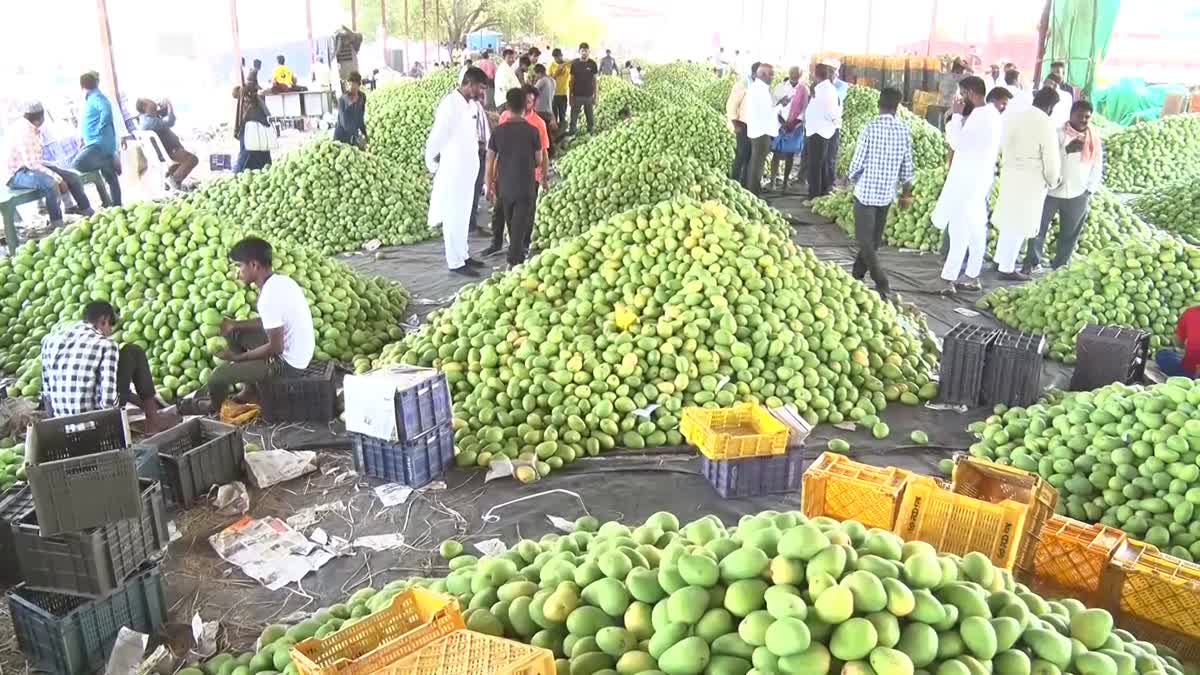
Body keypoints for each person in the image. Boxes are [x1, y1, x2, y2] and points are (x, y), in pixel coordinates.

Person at [204, 237, 315, 411]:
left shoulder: (269, 297)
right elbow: (271, 322)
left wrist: (238, 359)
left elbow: (276, 348)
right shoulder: (281, 282)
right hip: (298, 352)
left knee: (217, 377)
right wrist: (235, 325)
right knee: (233, 333)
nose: (237, 273)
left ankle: (214, 407)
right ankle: (250, 391)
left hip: (287, 364)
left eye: (239, 266)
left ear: (254, 265)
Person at [40, 301, 165, 429]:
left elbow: (46, 394)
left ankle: (151, 413)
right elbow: (108, 403)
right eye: (110, 326)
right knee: (132, 352)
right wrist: (126, 394)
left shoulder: (50, 341)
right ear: (103, 320)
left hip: (61, 427)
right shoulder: (106, 345)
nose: (110, 332)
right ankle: (154, 421)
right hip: (96, 429)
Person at [931, 75, 1002, 295]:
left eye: (962, 94)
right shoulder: (991, 114)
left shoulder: (979, 117)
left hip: (969, 182)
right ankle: (962, 275)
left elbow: (957, 143)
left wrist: (956, 118)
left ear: (971, 93)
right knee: (969, 227)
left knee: (965, 228)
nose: (960, 99)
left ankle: (960, 276)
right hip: (976, 180)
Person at [846, 87, 915, 300]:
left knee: (866, 242)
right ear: (898, 107)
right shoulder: (904, 130)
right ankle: (856, 275)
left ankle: (882, 282)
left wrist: (850, 178)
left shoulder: (870, 128)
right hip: (886, 194)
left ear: (879, 104)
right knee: (873, 241)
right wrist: (906, 193)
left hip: (866, 193)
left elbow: (857, 162)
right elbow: (907, 167)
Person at [1024, 99, 1102, 273]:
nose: (1083, 120)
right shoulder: (1056, 134)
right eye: (1080, 116)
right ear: (1071, 115)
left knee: (1070, 232)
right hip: (1051, 190)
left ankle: (1060, 265)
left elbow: (1097, 166)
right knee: (1038, 227)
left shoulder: (1093, 139)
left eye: (1087, 117)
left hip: (1078, 192)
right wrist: (1066, 149)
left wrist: (1089, 190)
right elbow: (1046, 158)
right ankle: (1032, 262)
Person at [991, 87, 1061, 281]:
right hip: (1030, 180)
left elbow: (1002, 144)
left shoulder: (1015, 116)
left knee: (1008, 221)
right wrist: (1053, 180)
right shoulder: (1045, 123)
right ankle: (1007, 268)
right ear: (1050, 106)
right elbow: (1051, 159)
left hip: (1010, 174)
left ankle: (1000, 260)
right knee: (1020, 224)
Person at [426, 67, 489, 277]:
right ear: (469, 84)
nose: (481, 92)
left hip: (467, 170)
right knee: (453, 216)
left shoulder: (471, 105)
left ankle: (464, 255)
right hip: (454, 170)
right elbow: (438, 136)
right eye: (479, 87)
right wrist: (431, 160)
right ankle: (455, 261)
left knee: (463, 215)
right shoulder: (450, 105)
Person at [484, 84, 550, 257]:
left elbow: (490, 160)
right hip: (525, 185)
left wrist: (488, 184)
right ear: (523, 105)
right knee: (521, 222)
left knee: (510, 220)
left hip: (505, 185)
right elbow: (538, 159)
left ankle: (516, 253)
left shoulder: (498, 132)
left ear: (507, 106)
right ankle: (515, 258)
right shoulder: (532, 131)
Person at [4, 101, 93, 227]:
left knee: (72, 177)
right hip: (17, 175)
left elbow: (36, 161)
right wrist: (58, 178)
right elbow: (33, 165)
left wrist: (57, 171)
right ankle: (57, 223)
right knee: (51, 184)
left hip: (30, 166)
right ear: (40, 118)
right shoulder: (25, 132)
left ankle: (86, 211)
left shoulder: (31, 127)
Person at [73, 71, 121, 207]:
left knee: (77, 165)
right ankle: (115, 205)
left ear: (82, 86)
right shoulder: (92, 98)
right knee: (111, 177)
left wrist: (101, 127)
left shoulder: (97, 98)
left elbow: (106, 111)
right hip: (100, 144)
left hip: (98, 144)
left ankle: (107, 203)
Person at [805, 59, 843, 198]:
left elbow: (830, 112)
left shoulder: (826, 89)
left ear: (816, 74)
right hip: (820, 130)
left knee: (817, 164)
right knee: (819, 163)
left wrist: (835, 121)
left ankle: (816, 193)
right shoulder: (822, 88)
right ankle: (819, 191)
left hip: (820, 131)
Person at [769, 75, 808, 192]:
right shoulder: (780, 90)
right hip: (781, 125)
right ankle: (773, 182)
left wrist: (794, 124)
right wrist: (783, 123)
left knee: (790, 155)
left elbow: (804, 110)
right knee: (776, 154)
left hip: (795, 127)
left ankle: (785, 183)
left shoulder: (804, 91)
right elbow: (775, 107)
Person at [744, 63, 777, 195]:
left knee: (756, 162)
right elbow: (767, 112)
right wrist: (780, 106)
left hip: (757, 129)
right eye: (771, 74)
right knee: (757, 164)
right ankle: (753, 193)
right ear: (763, 74)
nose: (773, 77)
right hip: (761, 131)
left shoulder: (757, 87)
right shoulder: (760, 89)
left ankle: (752, 191)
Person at [726, 62, 756, 186]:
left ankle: (745, 184)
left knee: (750, 156)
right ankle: (734, 181)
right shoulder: (743, 85)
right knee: (741, 155)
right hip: (742, 125)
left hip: (754, 126)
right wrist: (735, 122)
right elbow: (731, 104)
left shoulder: (759, 86)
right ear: (755, 73)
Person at [1156, 306, 1200, 379]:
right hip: (1194, 369)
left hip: (1191, 370)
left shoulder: (1190, 312)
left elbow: (1178, 341)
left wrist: (1182, 349)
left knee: (1162, 355)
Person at [569, 43, 599, 135]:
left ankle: (590, 133)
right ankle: (572, 133)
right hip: (576, 96)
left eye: (586, 51)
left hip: (589, 96)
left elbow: (595, 81)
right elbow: (571, 81)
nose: (584, 53)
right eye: (582, 51)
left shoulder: (593, 64)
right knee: (573, 118)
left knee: (590, 118)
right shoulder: (574, 63)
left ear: (589, 51)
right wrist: (570, 96)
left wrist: (596, 96)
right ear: (579, 52)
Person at [333, 71, 368, 147]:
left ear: (359, 85)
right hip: (342, 136)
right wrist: (356, 135)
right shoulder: (343, 99)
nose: (351, 87)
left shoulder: (362, 97)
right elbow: (344, 122)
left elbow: (360, 117)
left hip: (354, 136)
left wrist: (364, 133)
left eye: (354, 85)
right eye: (349, 84)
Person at [334, 26, 364, 91]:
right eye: (344, 38)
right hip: (343, 76)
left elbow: (354, 35)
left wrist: (343, 27)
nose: (346, 40)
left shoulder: (355, 44)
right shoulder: (338, 46)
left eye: (347, 37)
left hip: (353, 75)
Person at [549, 49, 571, 126]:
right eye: (555, 58)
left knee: (563, 115)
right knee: (554, 116)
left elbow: (574, 61)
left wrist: (564, 64)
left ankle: (562, 132)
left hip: (563, 94)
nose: (557, 59)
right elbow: (549, 79)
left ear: (561, 55)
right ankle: (556, 134)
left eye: (558, 57)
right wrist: (556, 74)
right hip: (553, 95)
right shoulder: (552, 66)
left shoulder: (567, 64)